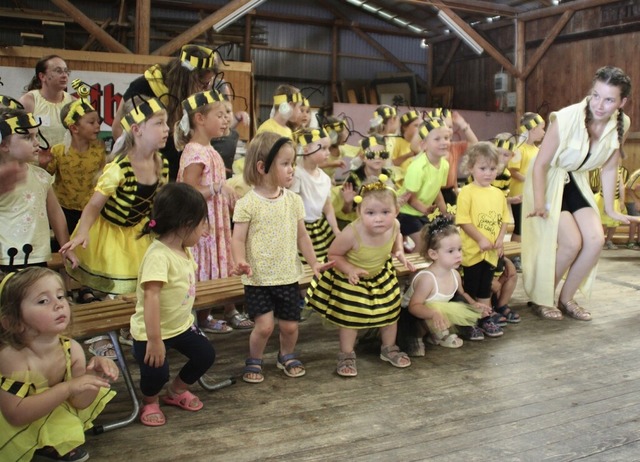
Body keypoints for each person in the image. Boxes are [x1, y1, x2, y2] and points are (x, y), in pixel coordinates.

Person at [61, 96, 169, 357]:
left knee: (139, 287)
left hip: (138, 232)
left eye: (167, 123)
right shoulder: (119, 167)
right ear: (137, 129)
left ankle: (129, 327)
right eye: (159, 123)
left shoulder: (161, 163)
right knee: (104, 288)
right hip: (109, 234)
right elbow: (93, 206)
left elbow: (158, 202)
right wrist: (83, 231)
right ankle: (98, 335)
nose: (167, 128)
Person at [523, 66, 632, 321]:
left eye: (609, 99)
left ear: (621, 102)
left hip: (576, 179)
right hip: (548, 178)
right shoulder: (565, 118)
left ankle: (566, 298)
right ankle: (542, 297)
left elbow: (610, 165)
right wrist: (540, 203)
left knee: (595, 240)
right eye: (596, 95)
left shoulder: (622, 123)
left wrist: (610, 208)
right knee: (572, 242)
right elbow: (540, 164)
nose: (600, 104)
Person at [232, 132, 329, 384]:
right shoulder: (247, 203)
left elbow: (302, 237)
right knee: (264, 327)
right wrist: (240, 261)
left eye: (293, 163)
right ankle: (254, 359)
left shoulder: (293, 201)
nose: (292, 170)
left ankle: (286, 354)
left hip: (287, 276)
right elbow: (238, 239)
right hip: (258, 279)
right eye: (285, 164)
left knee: (290, 326)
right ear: (262, 167)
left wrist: (314, 262)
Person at [0, 267, 118, 461]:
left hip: (45, 409)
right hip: (12, 420)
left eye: (61, 296)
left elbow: (79, 402)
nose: (59, 305)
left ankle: (46, 444)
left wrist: (95, 378)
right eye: (43, 301)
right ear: (13, 321)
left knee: (62, 413)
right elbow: (15, 415)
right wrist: (67, 387)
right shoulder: (12, 357)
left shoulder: (72, 349)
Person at [305, 176, 415, 377]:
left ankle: (388, 348)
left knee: (390, 312)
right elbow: (333, 254)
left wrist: (398, 251)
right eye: (370, 213)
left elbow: (397, 237)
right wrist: (350, 270)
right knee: (351, 318)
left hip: (380, 273)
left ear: (396, 211)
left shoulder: (395, 225)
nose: (379, 218)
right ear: (359, 212)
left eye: (385, 212)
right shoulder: (351, 232)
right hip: (351, 277)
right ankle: (346, 354)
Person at [129, 183, 215, 427]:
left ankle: (176, 391)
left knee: (205, 354)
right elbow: (151, 297)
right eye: (202, 224)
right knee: (156, 372)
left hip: (180, 326)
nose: (204, 230)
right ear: (186, 224)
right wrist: (155, 340)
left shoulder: (182, 249)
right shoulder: (158, 255)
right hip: (152, 332)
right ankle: (150, 401)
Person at [176, 89, 253, 333]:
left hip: (215, 221)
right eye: (219, 115)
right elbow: (188, 190)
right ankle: (199, 319)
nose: (226, 120)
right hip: (202, 223)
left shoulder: (209, 149)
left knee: (216, 268)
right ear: (200, 118)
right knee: (203, 269)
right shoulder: (195, 152)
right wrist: (218, 187)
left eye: (227, 115)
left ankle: (209, 315)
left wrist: (228, 195)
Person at [112, 44, 219, 181]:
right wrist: (142, 165)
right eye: (203, 84)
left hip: (174, 171)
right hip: (142, 171)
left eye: (208, 84)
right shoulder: (145, 87)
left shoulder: (191, 96)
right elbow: (118, 128)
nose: (205, 90)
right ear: (188, 78)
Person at [0, 108, 78, 272]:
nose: (36, 142)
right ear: (4, 145)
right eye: (27, 137)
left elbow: (55, 213)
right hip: (6, 258)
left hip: (38, 256)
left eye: (36, 135)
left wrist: (65, 246)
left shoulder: (41, 176)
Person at [399, 217, 487, 354]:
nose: (458, 255)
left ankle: (436, 334)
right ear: (433, 254)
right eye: (451, 251)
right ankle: (417, 336)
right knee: (431, 313)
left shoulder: (455, 274)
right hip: (412, 317)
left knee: (455, 306)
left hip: (434, 311)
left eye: (459, 249)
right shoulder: (427, 279)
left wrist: (473, 304)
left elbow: (462, 294)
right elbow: (413, 307)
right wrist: (433, 313)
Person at [456, 142, 509, 339]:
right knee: (471, 287)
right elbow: (463, 221)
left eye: (492, 169)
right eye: (482, 168)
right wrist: (480, 239)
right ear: (470, 168)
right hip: (472, 251)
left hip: (492, 252)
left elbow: (504, 219)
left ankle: (484, 318)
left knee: (485, 287)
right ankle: (470, 322)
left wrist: (501, 239)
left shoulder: (498, 193)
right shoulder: (467, 192)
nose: (488, 173)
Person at [397, 118, 451, 254]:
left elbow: (437, 190)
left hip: (421, 212)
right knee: (423, 244)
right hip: (405, 213)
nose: (444, 142)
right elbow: (410, 198)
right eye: (437, 139)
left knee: (435, 242)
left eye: (446, 138)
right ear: (424, 145)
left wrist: (445, 212)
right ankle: (412, 272)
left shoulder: (444, 164)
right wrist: (425, 209)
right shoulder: (417, 167)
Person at [291, 127, 340, 261]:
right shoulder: (296, 175)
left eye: (328, 148)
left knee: (324, 260)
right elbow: (292, 207)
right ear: (306, 149)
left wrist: (335, 228)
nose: (328, 153)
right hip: (300, 228)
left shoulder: (325, 178)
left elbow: (327, 205)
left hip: (319, 227)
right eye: (323, 148)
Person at [508, 112, 546, 271]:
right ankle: (514, 258)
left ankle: (525, 254)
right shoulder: (519, 149)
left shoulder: (536, 149)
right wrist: (530, 180)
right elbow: (513, 170)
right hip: (520, 194)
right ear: (533, 129)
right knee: (520, 226)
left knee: (530, 225)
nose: (544, 132)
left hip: (532, 194)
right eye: (542, 129)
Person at [333, 135, 395, 229]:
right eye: (371, 154)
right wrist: (347, 202)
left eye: (382, 154)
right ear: (363, 157)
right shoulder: (354, 179)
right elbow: (346, 211)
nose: (377, 158)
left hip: (381, 218)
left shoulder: (389, 175)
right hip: (358, 221)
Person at [19, 55, 75, 149]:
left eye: (66, 71)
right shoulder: (28, 101)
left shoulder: (74, 103)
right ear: (42, 76)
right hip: (35, 162)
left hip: (66, 162)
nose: (64, 75)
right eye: (58, 71)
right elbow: (19, 137)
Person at [428, 108, 478, 209]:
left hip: (449, 192)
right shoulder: (428, 151)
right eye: (443, 125)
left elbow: (475, 145)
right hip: (433, 194)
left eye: (450, 127)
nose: (447, 130)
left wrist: (463, 125)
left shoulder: (454, 147)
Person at [597, 166, 627, 250]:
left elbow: (621, 187)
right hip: (604, 200)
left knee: (614, 224)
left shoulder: (619, 171)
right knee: (604, 223)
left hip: (615, 201)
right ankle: (601, 241)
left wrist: (622, 201)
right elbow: (604, 186)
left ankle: (609, 240)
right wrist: (605, 204)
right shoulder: (603, 170)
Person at [390, 110, 422, 185]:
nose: (419, 129)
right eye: (416, 126)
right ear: (405, 127)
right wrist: (409, 155)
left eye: (421, 126)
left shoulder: (422, 143)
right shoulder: (395, 142)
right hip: (399, 187)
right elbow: (390, 164)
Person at [623, 167, 640, 248]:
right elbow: (628, 188)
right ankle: (631, 242)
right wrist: (636, 201)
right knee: (634, 220)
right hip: (632, 199)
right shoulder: (638, 173)